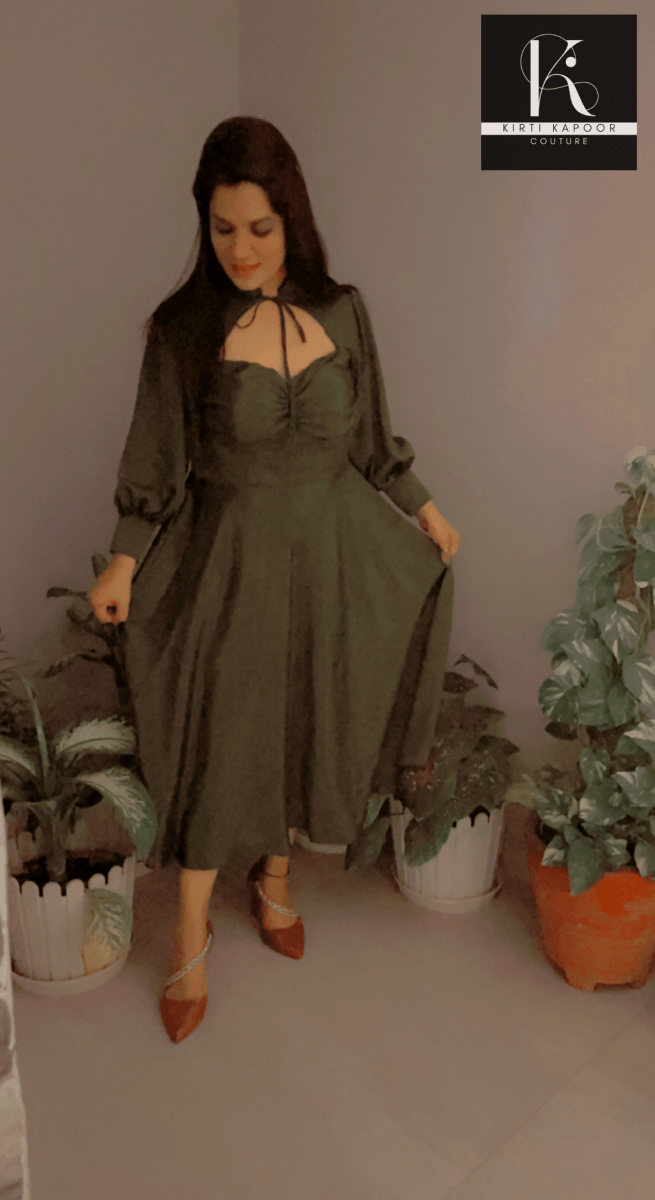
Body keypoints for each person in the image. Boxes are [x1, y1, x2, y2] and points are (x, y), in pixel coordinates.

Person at [88, 117, 460, 1043]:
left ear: (292, 216)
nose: (241, 248)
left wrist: (422, 508)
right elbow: (157, 460)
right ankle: (188, 932)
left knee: (308, 711)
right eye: (222, 228)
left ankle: (277, 879)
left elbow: (370, 440)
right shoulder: (181, 330)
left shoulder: (344, 311)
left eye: (260, 226)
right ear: (203, 223)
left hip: (333, 548)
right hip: (232, 560)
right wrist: (126, 559)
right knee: (226, 735)